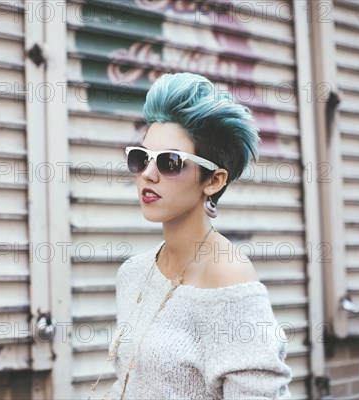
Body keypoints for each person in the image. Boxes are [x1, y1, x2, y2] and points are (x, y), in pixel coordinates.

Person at [88, 73, 292, 399]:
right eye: (141, 158)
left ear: (214, 181)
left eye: (170, 162)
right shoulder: (134, 273)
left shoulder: (228, 279)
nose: (148, 175)